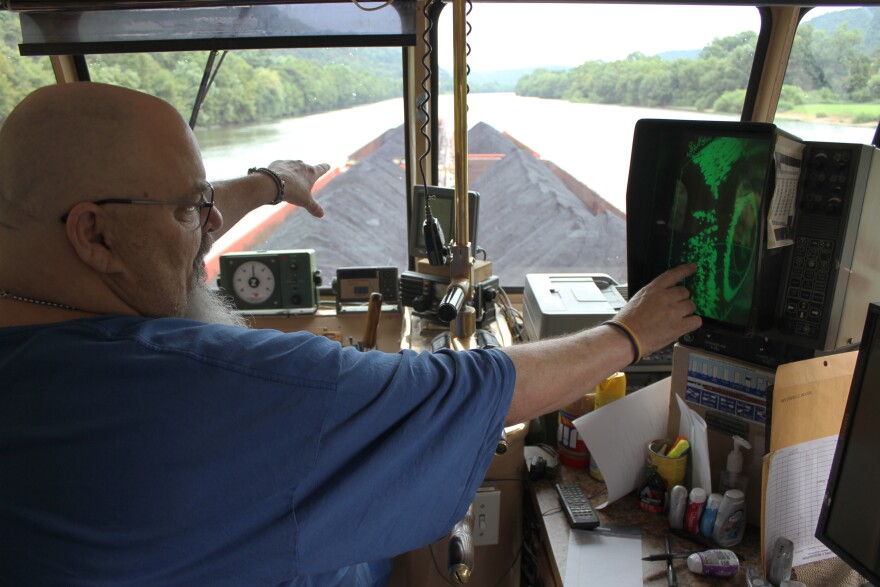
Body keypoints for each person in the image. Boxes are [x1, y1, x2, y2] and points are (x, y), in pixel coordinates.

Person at [0, 82, 701, 586]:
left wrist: (269, 185)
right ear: (92, 232)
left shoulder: (38, 329)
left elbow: (154, 217)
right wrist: (629, 334)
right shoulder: (192, 386)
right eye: (193, 209)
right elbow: (459, 389)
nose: (210, 224)